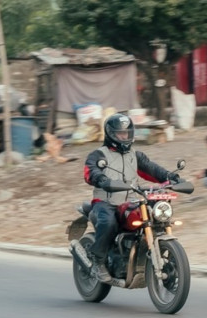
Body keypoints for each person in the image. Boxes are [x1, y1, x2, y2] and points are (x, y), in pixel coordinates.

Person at [76, 113, 181, 282]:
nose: (125, 137)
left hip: (132, 200)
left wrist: (171, 177)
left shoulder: (135, 155)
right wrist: (101, 179)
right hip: (106, 202)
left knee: (156, 214)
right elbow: (90, 172)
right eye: (120, 134)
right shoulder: (98, 155)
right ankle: (98, 261)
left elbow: (152, 170)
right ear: (111, 134)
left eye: (127, 133)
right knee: (108, 222)